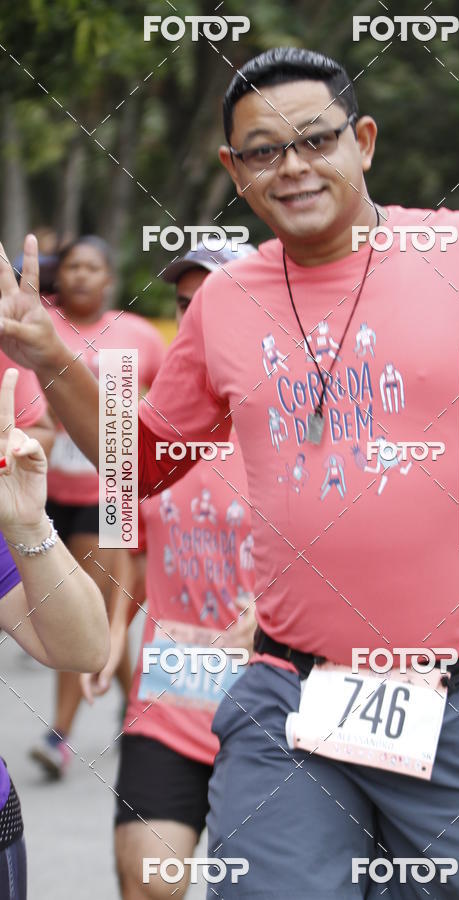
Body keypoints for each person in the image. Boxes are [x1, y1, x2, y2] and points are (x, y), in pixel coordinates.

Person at [4, 46, 459, 897]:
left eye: (315, 140)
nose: (292, 168)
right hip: (289, 690)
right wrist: (48, 352)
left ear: (362, 139)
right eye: (262, 151)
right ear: (233, 170)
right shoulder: (226, 301)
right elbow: (140, 461)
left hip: (455, 700)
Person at [80, 242, 257, 900]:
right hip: (170, 702)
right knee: (147, 882)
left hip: (276, 709)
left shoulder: (299, 424)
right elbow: (132, 553)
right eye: (185, 307)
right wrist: (107, 632)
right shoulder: (141, 432)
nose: (196, 322)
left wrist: (273, 615)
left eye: (215, 304)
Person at [29, 236, 166, 779]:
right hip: (43, 495)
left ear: (110, 278)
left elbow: (163, 408)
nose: (81, 276)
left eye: (92, 267)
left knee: (78, 607)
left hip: (111, 494)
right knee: (104, 617)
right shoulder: (39, 328)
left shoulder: (138, 336)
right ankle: (132, 706)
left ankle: (58, 733)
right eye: (72, 267)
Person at [0, 366, 109, 899]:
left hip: (62, 498)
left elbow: (85, 647)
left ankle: (65, 730)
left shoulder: (125, 334)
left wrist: (28, 525)